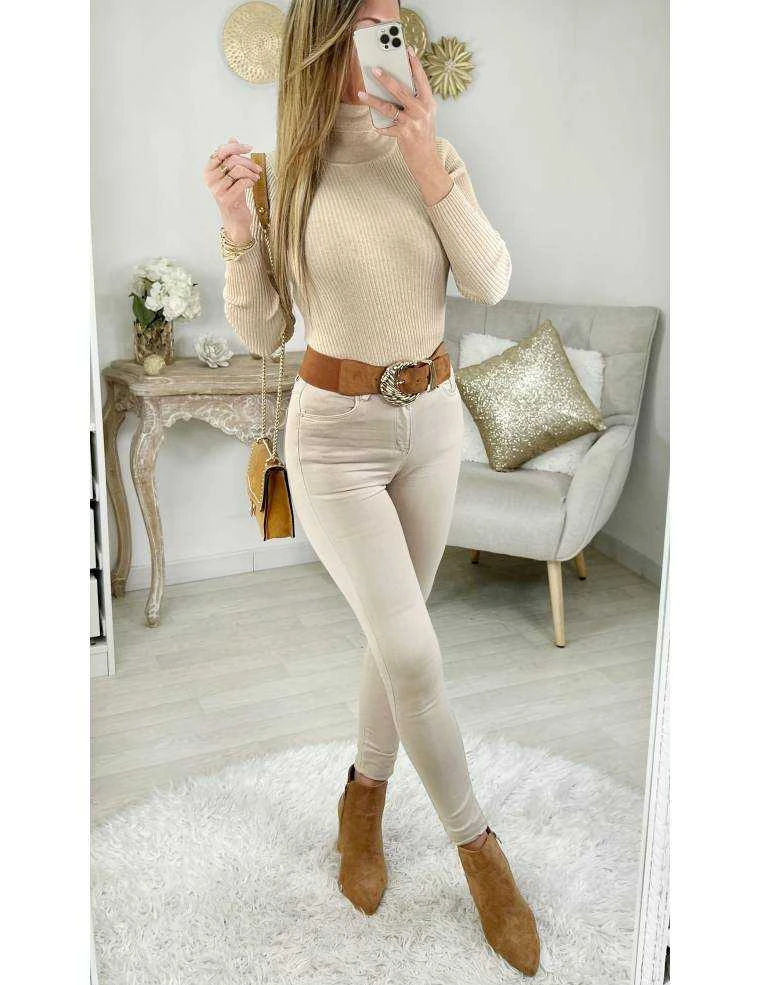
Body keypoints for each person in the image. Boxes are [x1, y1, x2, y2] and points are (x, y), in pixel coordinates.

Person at [203, 0, 539, 975]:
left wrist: (428, 159)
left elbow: (490, 279)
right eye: (364, 32)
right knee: (413, 652)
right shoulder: (292, 170)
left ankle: (362, 797)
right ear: (324, 46)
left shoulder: (433, 151)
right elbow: (265, 331)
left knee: (397, 645)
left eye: (394, 31)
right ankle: (481, 854)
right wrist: (237, 227)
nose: (386, 51)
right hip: (335, 441)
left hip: (432, 426)